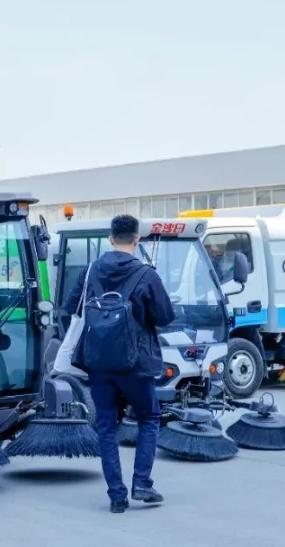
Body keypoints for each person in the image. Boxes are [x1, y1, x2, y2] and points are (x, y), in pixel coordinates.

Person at [62, 214, 175, 513]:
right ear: (137, 239)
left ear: (110, 239)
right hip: (136, 364)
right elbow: (165, 316)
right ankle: (142, 483)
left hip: (98, 363)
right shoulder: (147, 275)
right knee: (149, 417)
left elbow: (70, 308)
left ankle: (116, 495)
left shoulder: (90, 272)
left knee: (106, 426)